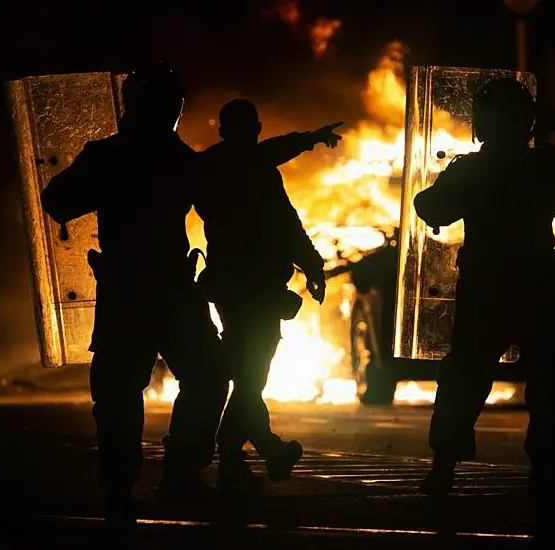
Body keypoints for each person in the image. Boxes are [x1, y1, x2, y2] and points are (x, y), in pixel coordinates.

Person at [413, 77, 555, 503]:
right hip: (538, 286)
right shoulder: (545, 167)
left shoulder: (472, 170)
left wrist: (451, 182)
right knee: (550, 381)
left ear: (481, 125)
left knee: (465, 376)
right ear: (527, 123)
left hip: (486, 285)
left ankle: (444, 467)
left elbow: (431, 207)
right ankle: (547, 471)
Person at [40, 63, 231, 532]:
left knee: (123, 392)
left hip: (130, 288)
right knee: (203, 377)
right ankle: (173, 474)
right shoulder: (179, 159)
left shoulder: (113, 156)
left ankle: (125, 488)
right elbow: (222, 216)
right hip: (163, 288)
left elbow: (59, 201)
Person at [193, 99, 343, 494]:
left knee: (246, 375)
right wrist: (312, 266)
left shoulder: (209, 167)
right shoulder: (255, 168)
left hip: (228, 287)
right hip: (256, 288)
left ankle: (260, 452)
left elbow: (272, 155)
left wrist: (309, 139)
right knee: (251, 375)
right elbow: (285, 222)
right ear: (254, 128)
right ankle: (243, 452)